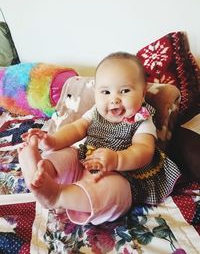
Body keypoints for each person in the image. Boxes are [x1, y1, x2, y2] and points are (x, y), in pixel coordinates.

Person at [18, 52, 181, 225]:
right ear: (96, 92)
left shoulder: (142, 119)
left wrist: (117, 159)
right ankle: (42, 171)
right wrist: (52, 141)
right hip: (85, 160)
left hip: (123, 174)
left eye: (124, 91)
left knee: (112, 191)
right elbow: (76, 128)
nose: (114, 99)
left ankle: (58, 196)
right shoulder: (95, 111)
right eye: (105, 92)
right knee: (65, 154)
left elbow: (144, 150)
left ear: (142, 93)